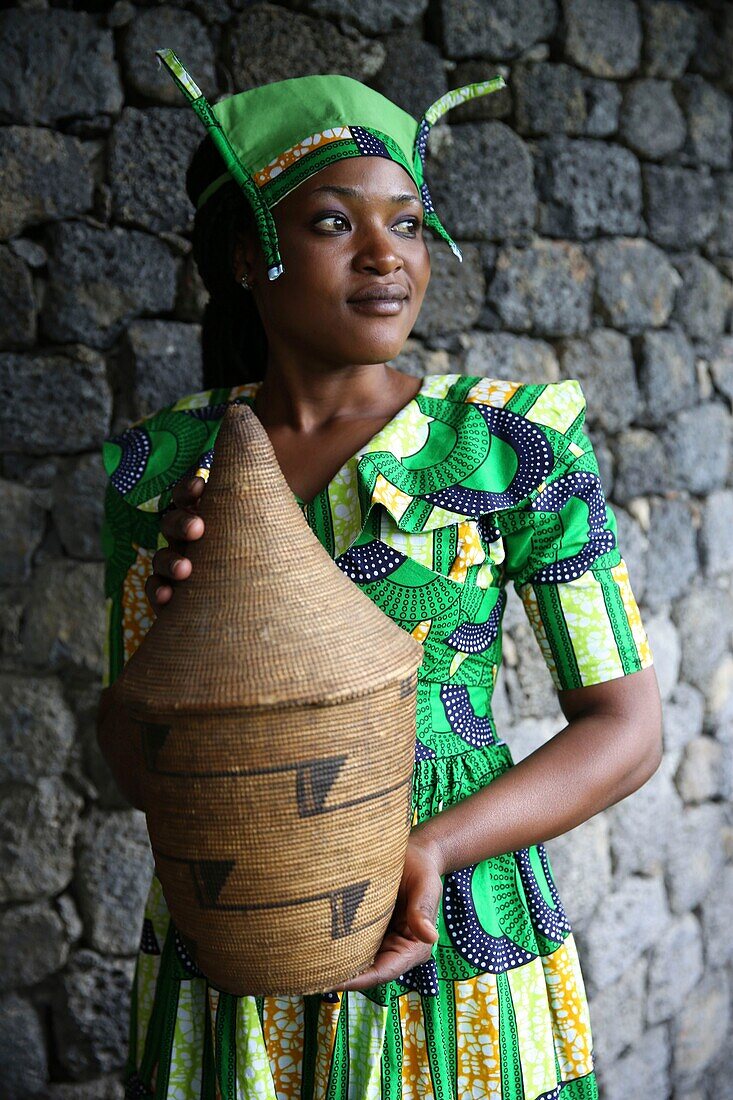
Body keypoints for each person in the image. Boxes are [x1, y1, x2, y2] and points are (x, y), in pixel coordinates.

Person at [97, 53, 662, 1100]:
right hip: (232, 923)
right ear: (243, 254)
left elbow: (625, 727)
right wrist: (184, 645)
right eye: (331, 223)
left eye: (406, 223)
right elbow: (132, 767)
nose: (385, 257)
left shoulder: (509, 441)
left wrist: (429, 846)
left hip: (447, 924)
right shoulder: (164, 467)